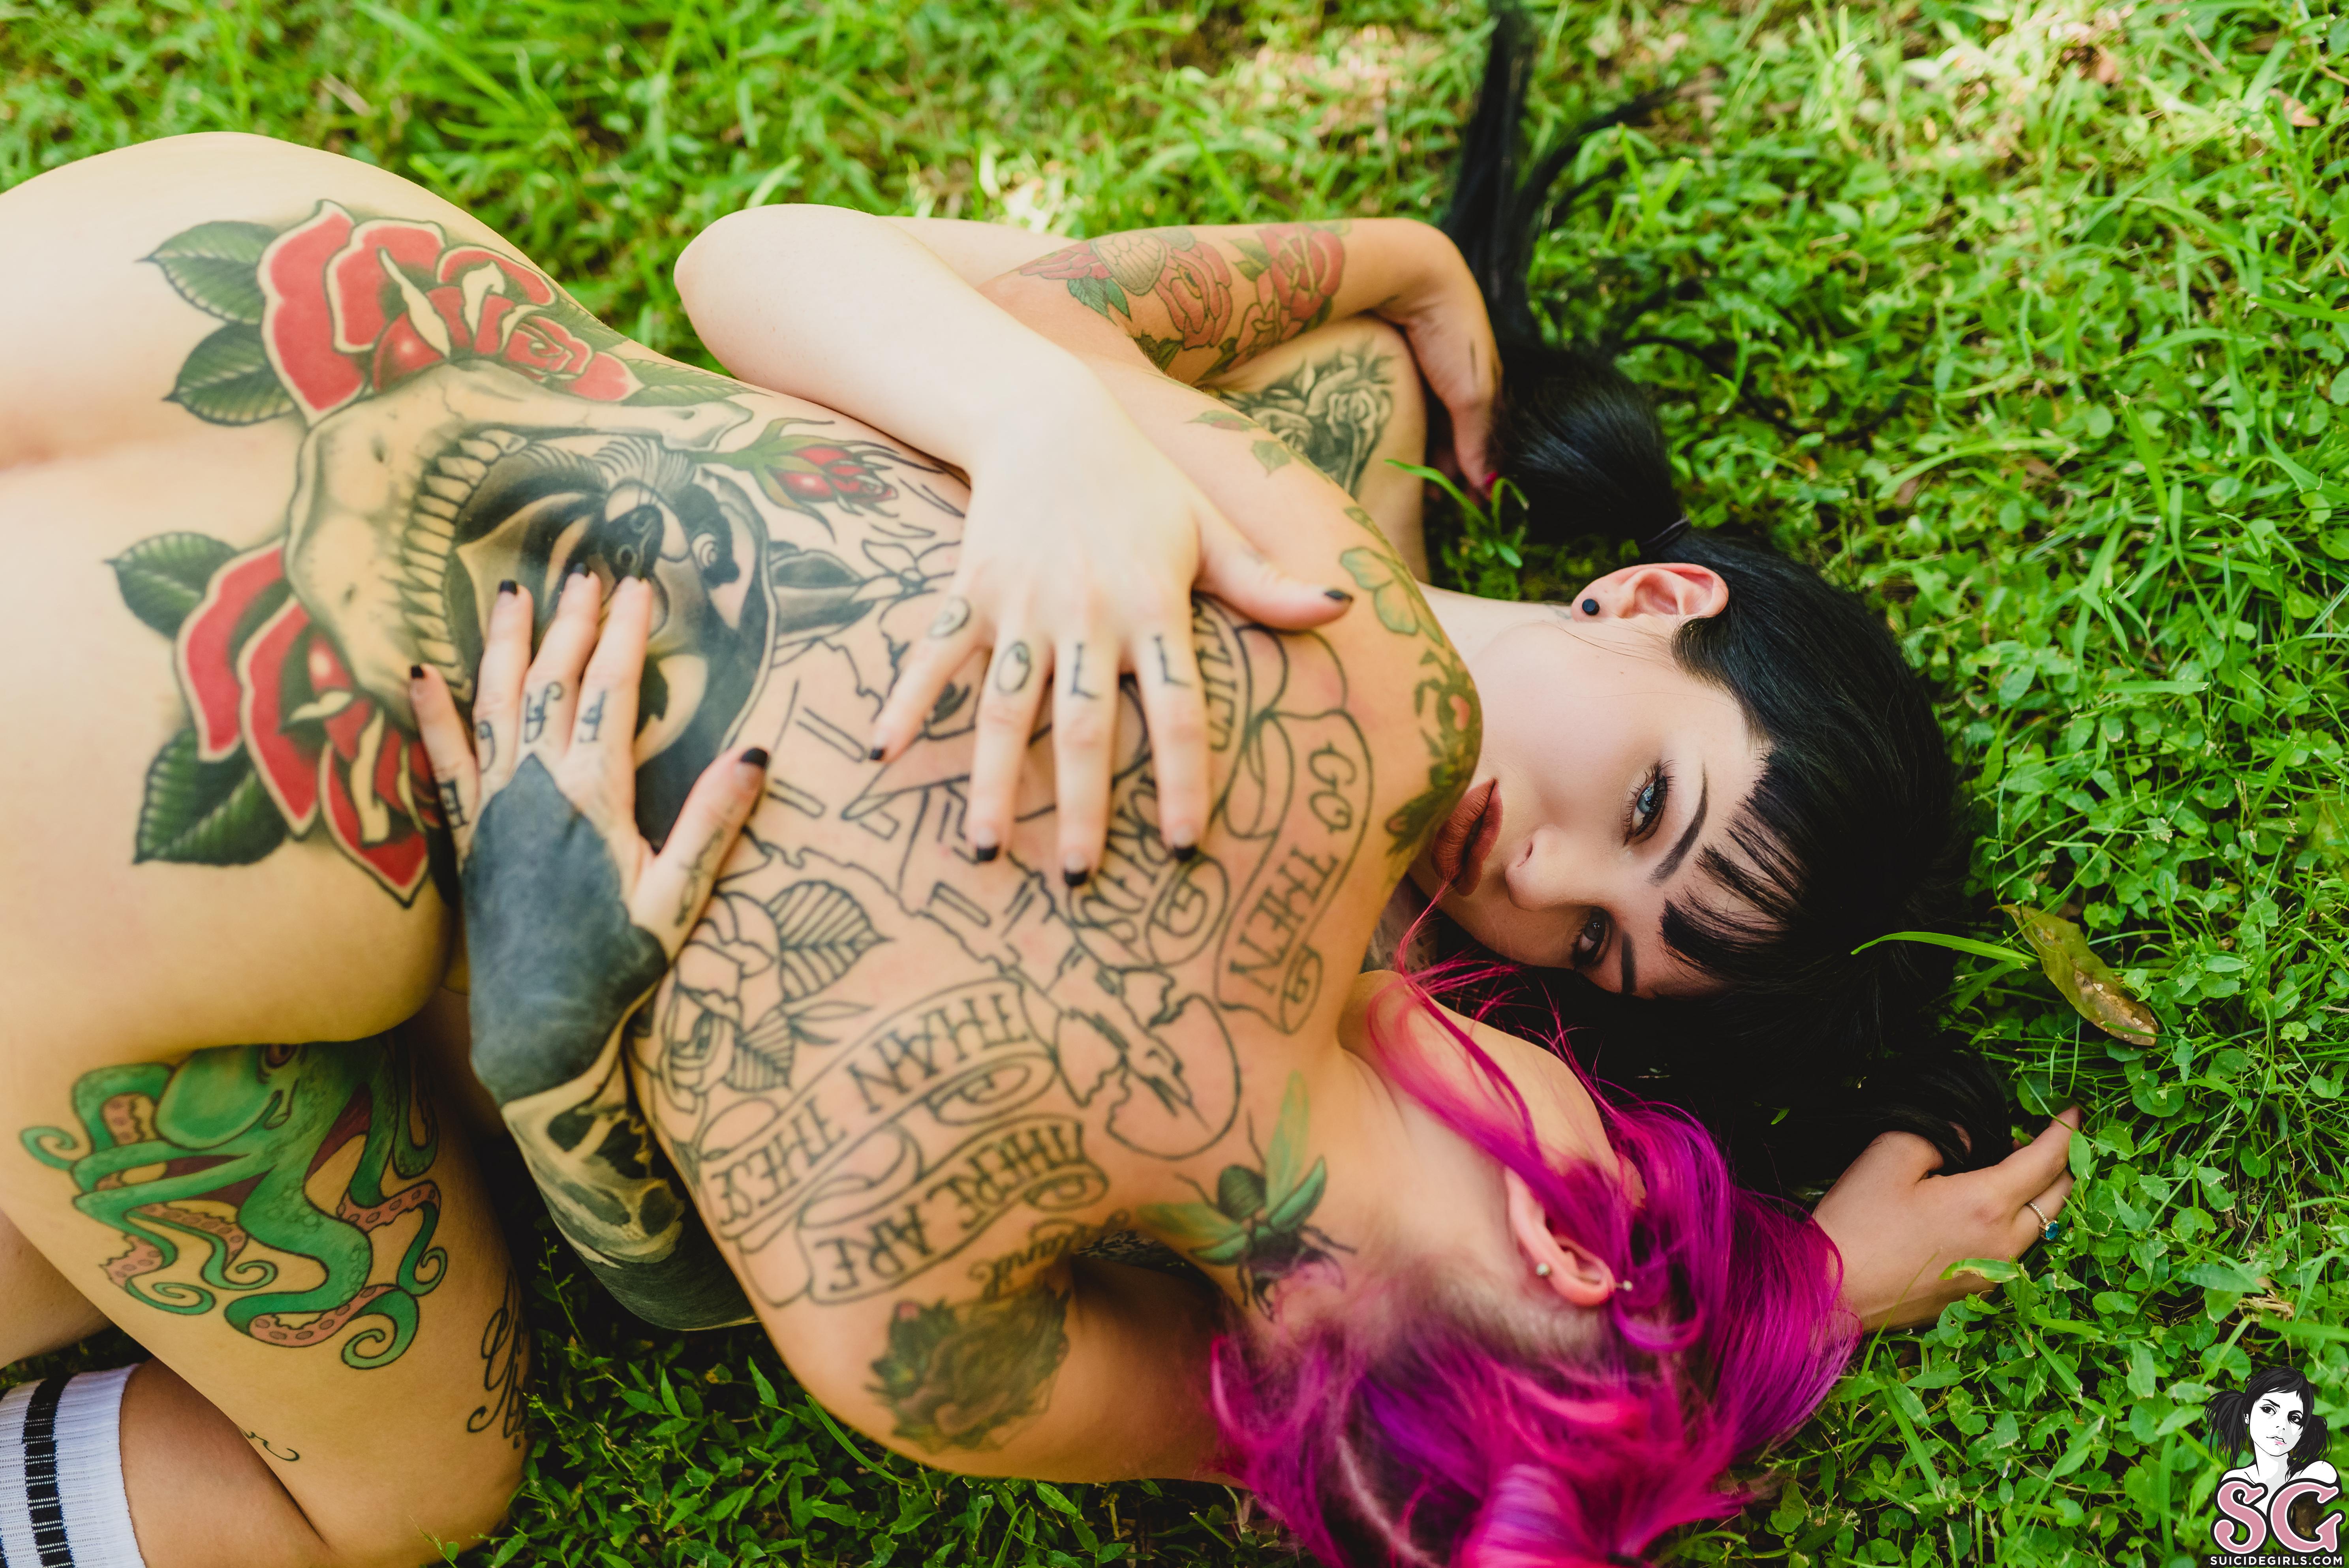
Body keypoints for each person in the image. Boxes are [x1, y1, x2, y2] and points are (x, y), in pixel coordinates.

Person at [0, 125, 2069, 1568]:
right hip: (148, 809)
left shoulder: (1369, 676)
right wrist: (553, 1041)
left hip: (263, 277)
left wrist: (1108, 391)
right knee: (400, 1493)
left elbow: (996, 305)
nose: (1534, 911)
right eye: (1639, 824)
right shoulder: (930, 1354)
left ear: (1572, 1232)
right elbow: (674, 1277)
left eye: (1596, 999)